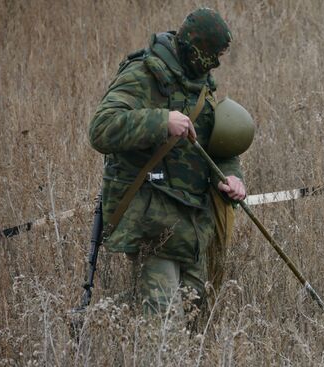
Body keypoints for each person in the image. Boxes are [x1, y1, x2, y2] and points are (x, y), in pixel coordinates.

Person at [88, 8, 246, 316]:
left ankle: (105, 319)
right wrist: (161, 121)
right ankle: (102, 322)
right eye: (211, 55)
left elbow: (220, 151)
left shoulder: (201, 86)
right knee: (164, 329)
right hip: (151, 221)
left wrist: (231, 178)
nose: (215, 64)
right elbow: (101, 128)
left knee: (194, 319)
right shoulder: (142, 75)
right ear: (194, 49)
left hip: (194, 227)